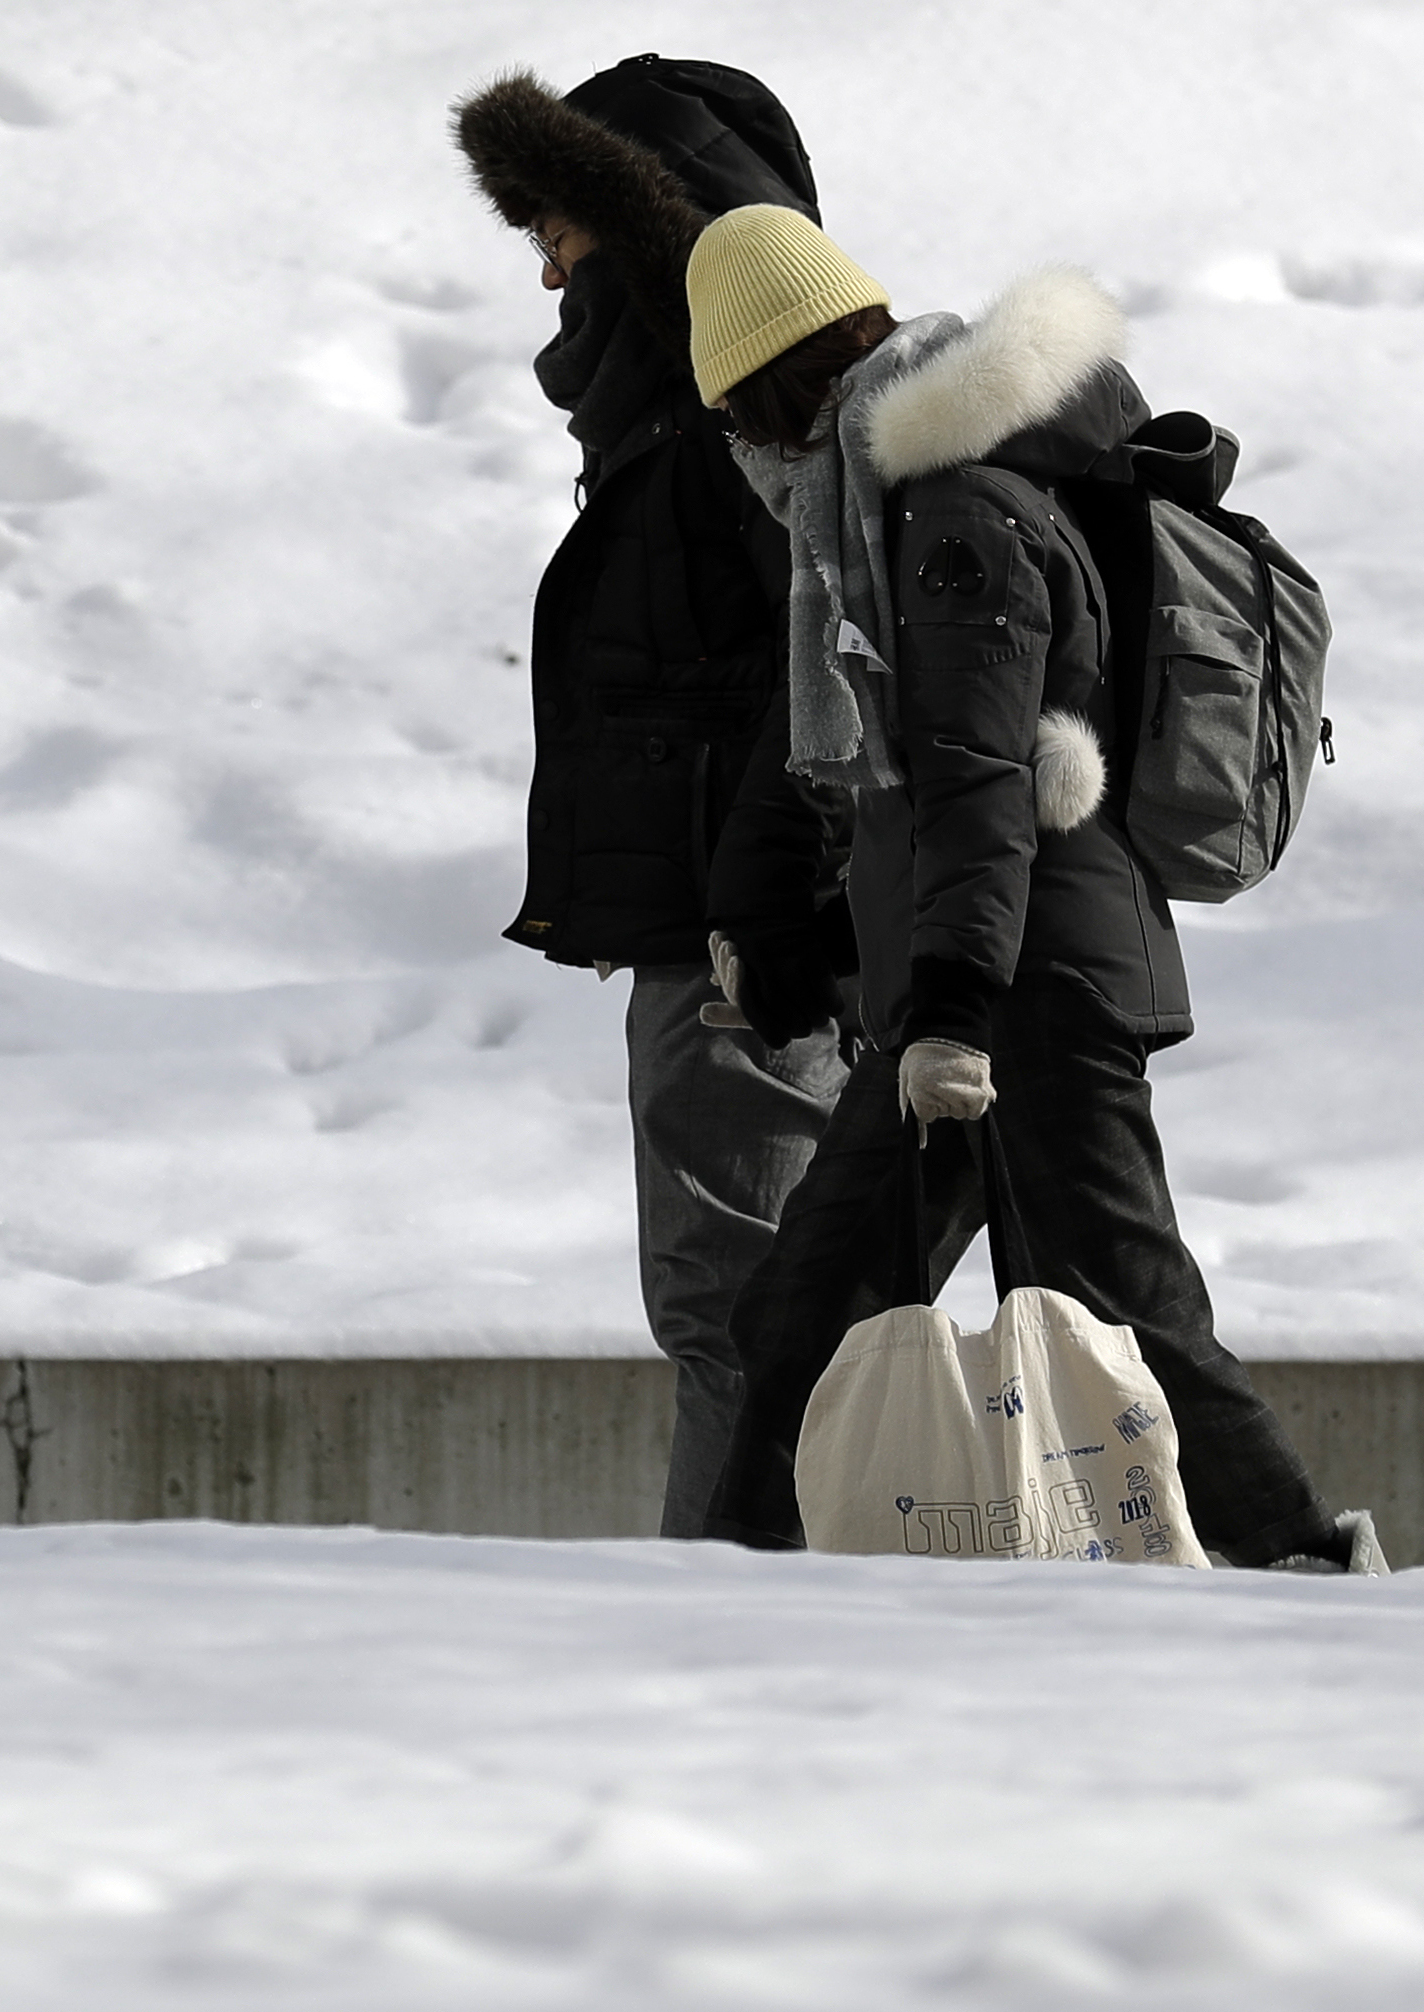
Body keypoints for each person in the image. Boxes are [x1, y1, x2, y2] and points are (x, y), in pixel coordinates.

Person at [683, 205, 1382, 1571]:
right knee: (807, 1312)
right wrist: (840, 952)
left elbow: (975, 775)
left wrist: (943, 1006)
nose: (745, 455)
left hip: (1026, 993)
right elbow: (918, 792)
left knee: (1129, 1309)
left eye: (735, 419)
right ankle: (737, 1586)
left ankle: (1300, 1562)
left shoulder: (954, 517)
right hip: (978, 978)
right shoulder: (906, 503)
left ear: (769, 387)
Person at [451, 60, 853, 1537]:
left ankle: (733, 1625)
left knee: (737, 1312)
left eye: (556, 227)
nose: (544, 266)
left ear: (637, 216)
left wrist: (768, 921)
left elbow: (828, 688)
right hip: (735, 934)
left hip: (754, 956)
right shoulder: (686, 409)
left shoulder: (744, 415)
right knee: (756, 1311)